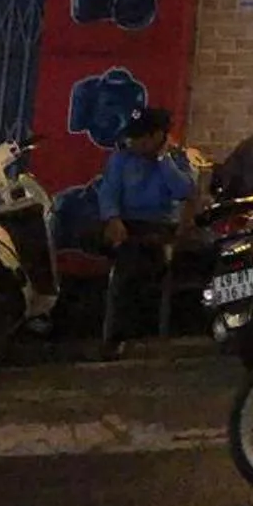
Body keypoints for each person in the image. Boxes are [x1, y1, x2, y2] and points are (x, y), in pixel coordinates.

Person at [94, 107, 196, 356]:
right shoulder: (121, 158)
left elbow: (183, 190)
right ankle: (115, 335)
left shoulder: (177, 159)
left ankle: (134, 335)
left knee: (142, 262)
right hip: (126, 223)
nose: (135, 142)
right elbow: (109, 191)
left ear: (158, 136)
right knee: (125, 259)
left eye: (142, 137)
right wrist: (112, 217)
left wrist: (163, 160)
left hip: (159, 227)